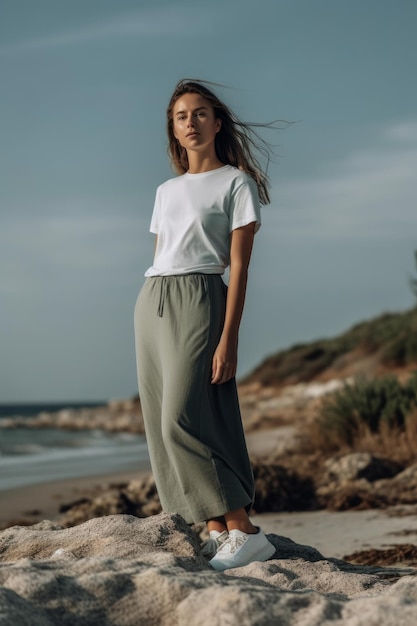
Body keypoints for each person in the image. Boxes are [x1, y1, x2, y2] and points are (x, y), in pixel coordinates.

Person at [134, 79, 276, 571]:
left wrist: (229, 337)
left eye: (199, 113)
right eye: (180, 116)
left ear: (217, 122)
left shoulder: (236, 183)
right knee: (163, 419)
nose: (190, 122)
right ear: (173, 130)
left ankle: (244, 527)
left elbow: (239, 266)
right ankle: (216, 530)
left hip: (200, 295)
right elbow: (161, 256)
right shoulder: (165, 190)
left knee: (182, 417)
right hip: (153, 299)